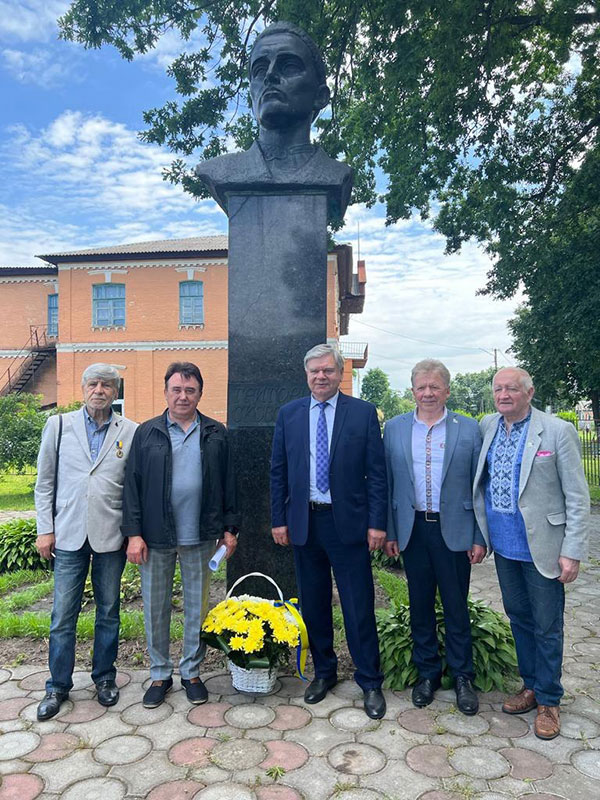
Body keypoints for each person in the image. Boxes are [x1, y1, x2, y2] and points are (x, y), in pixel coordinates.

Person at [270, 343, 387, 719]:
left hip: (348, 524)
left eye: (328, 370)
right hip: (305, 523)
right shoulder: (289, 414)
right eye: (314, 371)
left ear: (340, 373)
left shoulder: (362, 413)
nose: (321, 376)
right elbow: (278, 470)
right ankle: (324, 672)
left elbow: (377, 474)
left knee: (358, 605)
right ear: (306, 375)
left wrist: (377, 523)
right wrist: (278, 519)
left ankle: (369, 680)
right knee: (314, 603)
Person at [473, 367, 590, 739]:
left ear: (529, 392)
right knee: (519, 618)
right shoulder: (488, 427)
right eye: (498, 389)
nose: (503, 395)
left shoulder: (556, 431)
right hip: (505, 547)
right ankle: (531, 686)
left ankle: (550, 701)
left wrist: (572, 550)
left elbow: (577, 496)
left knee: (547, 625)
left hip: (544, 548)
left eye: (511, 388)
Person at [122, 362, 240, 708]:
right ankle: (160, 674)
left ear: (200, 394)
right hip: (155, 537)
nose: (183, 396)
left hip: (201, 535)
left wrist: (230, 529)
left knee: (197, 609)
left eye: (190, 390)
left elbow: (229, 483)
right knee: (155, 608)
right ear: (166, 392)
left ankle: (191, 672)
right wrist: (133, 534)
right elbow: (132, 486)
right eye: (177, 389)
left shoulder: (216, 433)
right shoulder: (147, 433)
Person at [34, 364, 137, 720]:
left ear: (115, 391)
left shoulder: (130, 431)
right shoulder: (59, 426)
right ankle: (57, 686)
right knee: (63, 614)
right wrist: (45, 529)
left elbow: (133, 488)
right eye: (93, 384)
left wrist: (133, 532)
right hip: (67, 533)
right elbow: (45, 482)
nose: (99, 390)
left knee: (108, 611)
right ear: (83, 389)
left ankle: (105, 678)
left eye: (107, 385)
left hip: (111, 535)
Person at [384, 359, 485, 715]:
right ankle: (427, 674)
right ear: (412, 390)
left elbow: (479, 486)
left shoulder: (469, 429)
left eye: (434, 386)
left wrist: (479, 536)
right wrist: (391, 531)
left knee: (456, 606)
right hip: (413, 529)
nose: (427, 393)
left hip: (454, 531)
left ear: (447, 390)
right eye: (421, 387)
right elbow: (389, 484)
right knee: (420, 605)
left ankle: (462, 677)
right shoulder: (394, 428)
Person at [196, 21, 352, 221]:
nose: (270, 75)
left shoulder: (336, 174)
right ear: (251, 95)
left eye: (289, 66)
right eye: (260, 70)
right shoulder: (221, 171)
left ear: (320, 96)